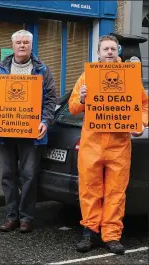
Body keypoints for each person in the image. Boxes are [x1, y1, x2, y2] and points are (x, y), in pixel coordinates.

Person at [69, 35, 149, 255]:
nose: (110, 52)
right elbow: (73, 107)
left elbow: (144, 105)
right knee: (89, 189)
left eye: (113, 48)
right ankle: (90, 231)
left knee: (116, 191)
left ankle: (112, 235)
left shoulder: (130, 78)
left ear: (118, 51)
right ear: (98, 53)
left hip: (119, 143)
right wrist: (82, 99)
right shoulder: (87, 77)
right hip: (91, 143)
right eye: (106, 49)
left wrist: (140, 124)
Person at [0, 30, 57, 233]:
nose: (22, 46)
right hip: (5, 132)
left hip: (32, 134)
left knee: (29, 176)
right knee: (8, 175)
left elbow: (51, 99)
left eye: (25, 42)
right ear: (12, 45)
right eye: (18, 42)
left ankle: (26, 218)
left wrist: (45, 122)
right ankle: (10, 216)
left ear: (31, 45)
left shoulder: (42, 70)